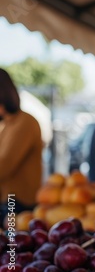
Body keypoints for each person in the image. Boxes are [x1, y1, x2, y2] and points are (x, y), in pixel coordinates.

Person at [0, 68, 43, 220]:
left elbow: (4, 165)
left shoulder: (25, 123)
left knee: (12, 242)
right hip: (7, 202)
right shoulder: (6, 124)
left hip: (17, 204)